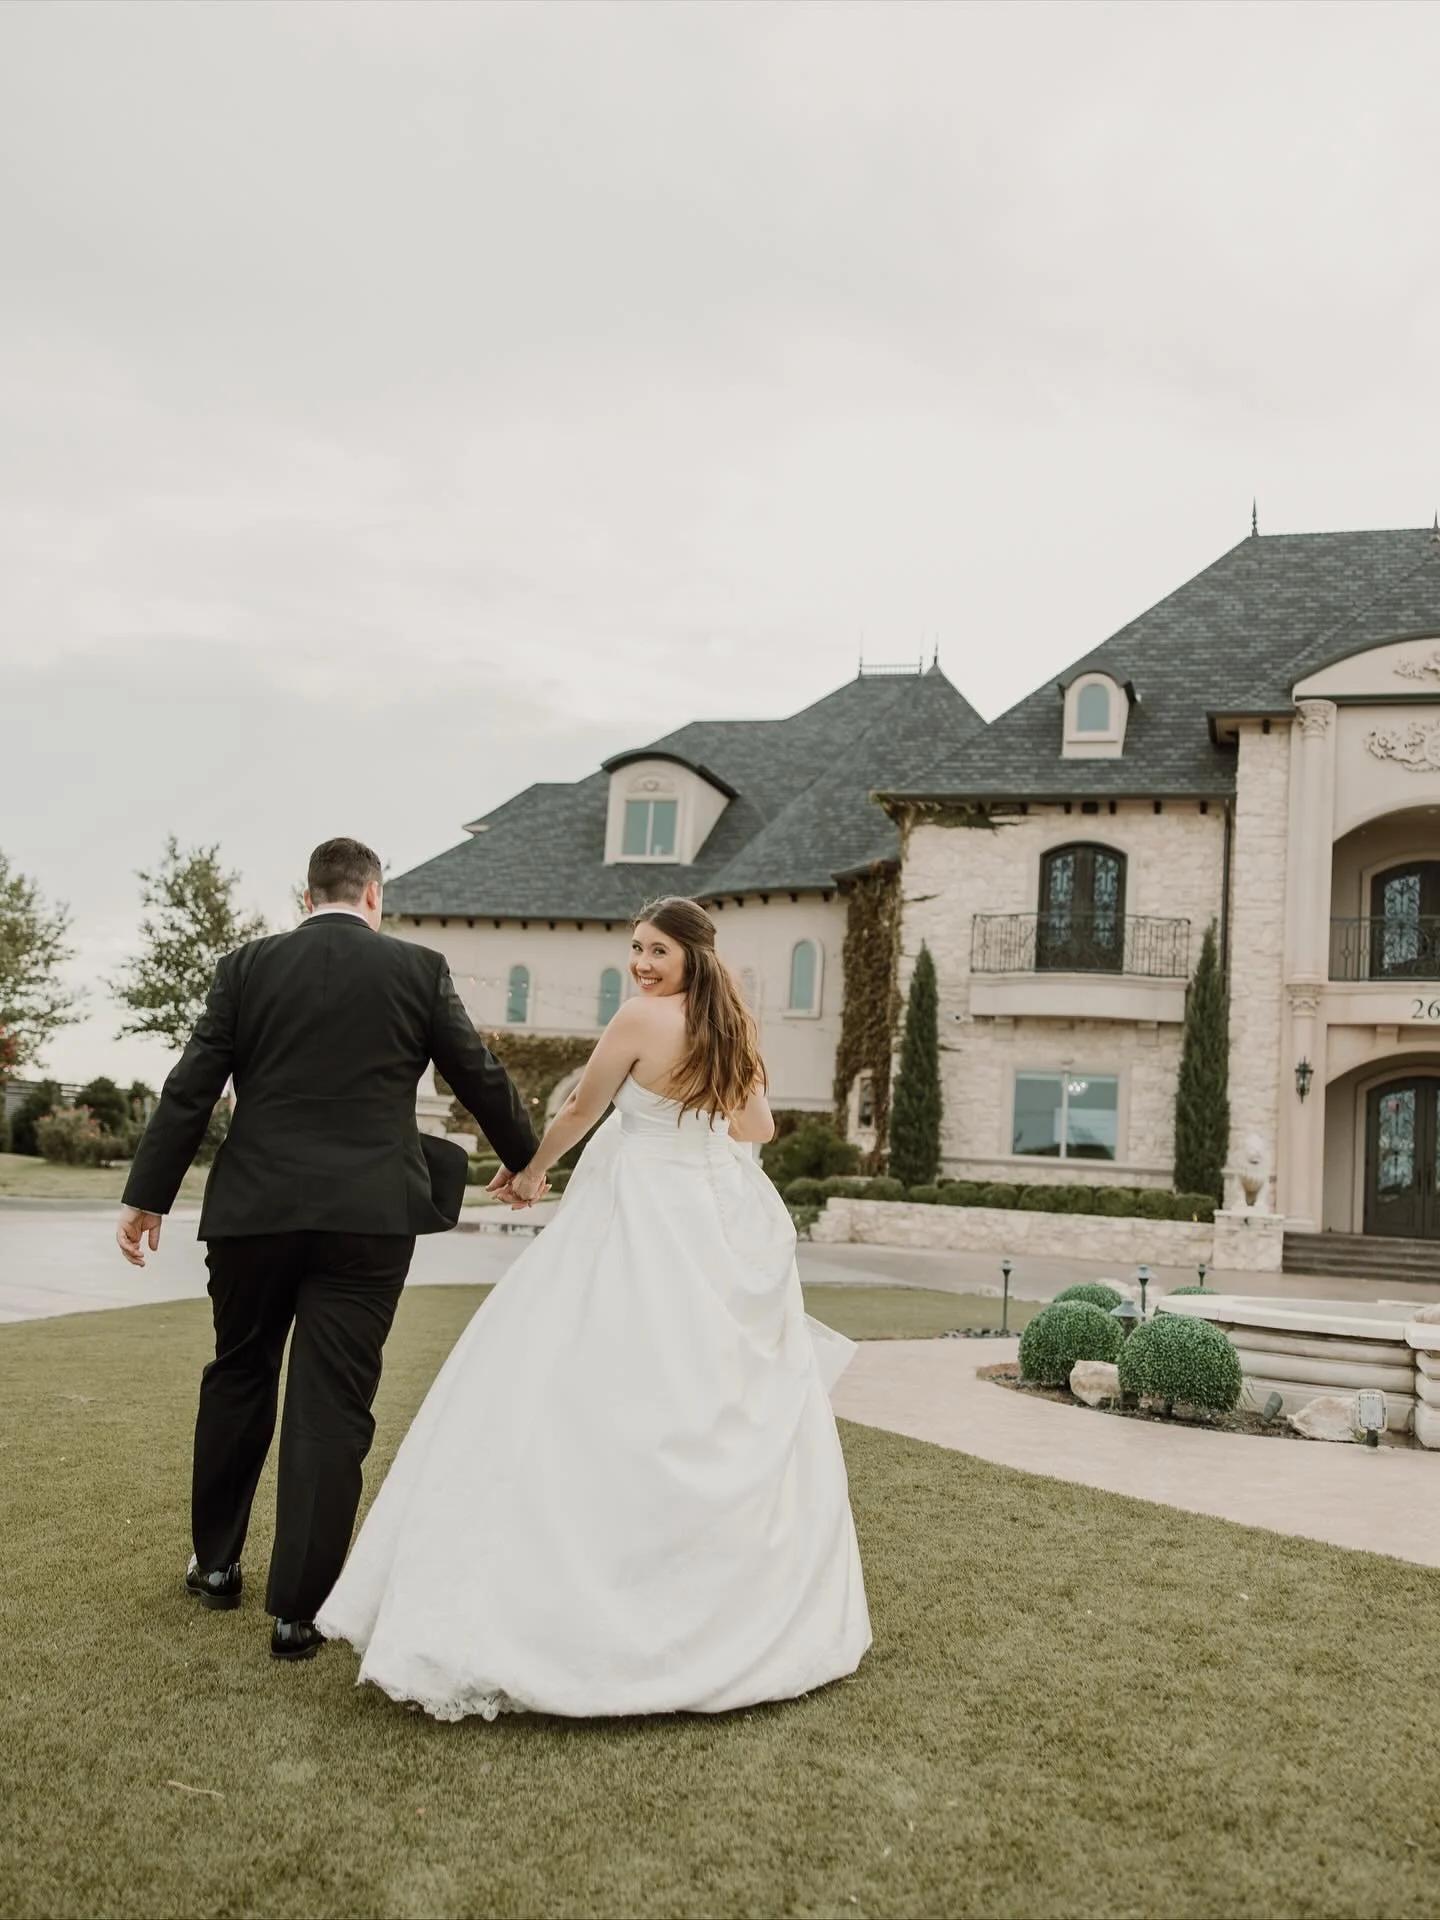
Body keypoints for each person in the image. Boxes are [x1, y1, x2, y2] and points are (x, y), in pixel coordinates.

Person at [317, 894, 871, 1720]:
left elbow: (580, 1107)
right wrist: (707, 1101)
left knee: (584, 1376)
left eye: (657, 951)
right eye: (637, 948)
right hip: (705, 1214)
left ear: (691, 956)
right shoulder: (731, 1031)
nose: (642, 963)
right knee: (696, 1388)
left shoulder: (642, 1019)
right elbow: (754, 1126)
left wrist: (533, 1171)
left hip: (641, 1211)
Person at [114, 836, 539, 1661]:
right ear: (374, 895)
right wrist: (524, 1162)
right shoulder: (417, 970)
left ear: (307, 898)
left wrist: (145, 1197)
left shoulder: (244, 969)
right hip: (367, 1219)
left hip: (254, 1212)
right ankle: (297, 1612)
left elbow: (190, 1086)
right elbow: (478, 1074)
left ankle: (215, 1566)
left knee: (239, 1373)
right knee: (331, 1400)